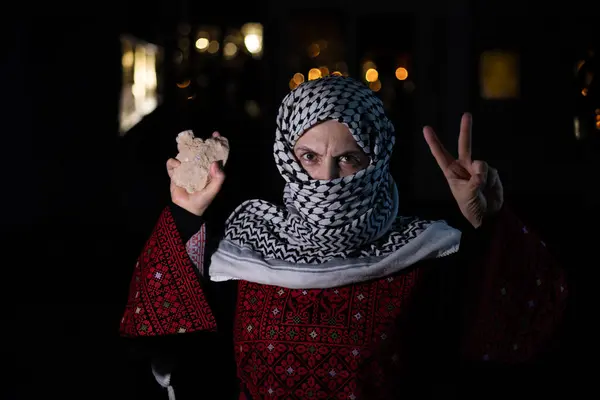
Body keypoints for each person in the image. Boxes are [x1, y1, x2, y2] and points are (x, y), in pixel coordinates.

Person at [120, 76, 568, 400]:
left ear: (375, 161)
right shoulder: (245, 250)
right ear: (287, 159)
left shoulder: (425, 255)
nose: (328, 178)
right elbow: (172, 335)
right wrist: (185, 214)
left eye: (349, 158)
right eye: (310, 157)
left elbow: (510, 325)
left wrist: (485, 225)